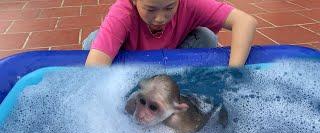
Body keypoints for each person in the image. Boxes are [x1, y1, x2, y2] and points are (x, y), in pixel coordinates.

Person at [83, 0, 257, 67]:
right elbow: (94, 68)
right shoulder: (123, 11)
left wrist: (234, 71)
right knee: (93, 42)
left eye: (170, 8)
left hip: (172, 56)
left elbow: (245, 21)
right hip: (130, 57)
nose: (160, 18)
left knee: (206, 37)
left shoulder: (188, 3)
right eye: (150, 9)